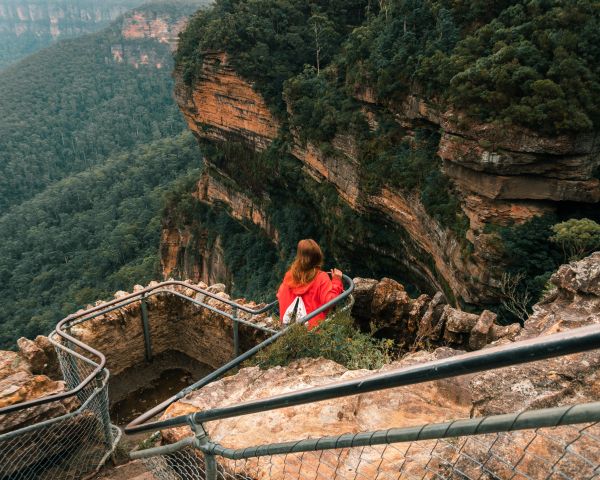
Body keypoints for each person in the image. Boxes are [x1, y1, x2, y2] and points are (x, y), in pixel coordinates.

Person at [277, 239, 343, 329]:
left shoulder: (289, 275)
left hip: (286, 329)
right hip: (312, 331)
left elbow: (280, 295)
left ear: (299, 256)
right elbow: (330, 301)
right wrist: (336, 281)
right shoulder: (321, 277)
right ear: (318, 256)